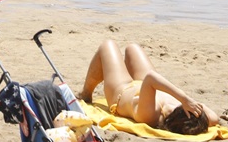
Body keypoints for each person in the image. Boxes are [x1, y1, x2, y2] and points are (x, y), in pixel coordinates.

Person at [79, 39, 217, 134]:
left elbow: (151, 78)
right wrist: (191, 105)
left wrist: (184, 98)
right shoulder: (192, 118)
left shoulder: (150, 115)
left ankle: (86, 93)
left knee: (108, 45)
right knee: (133, 48)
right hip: (144, 85)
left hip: (122, 89)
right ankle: (124, 67)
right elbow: (213, 117)